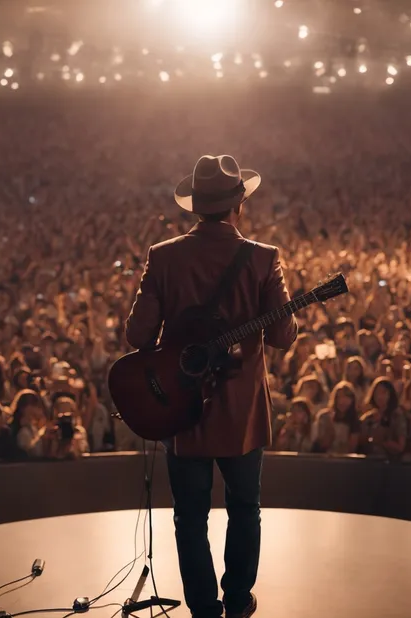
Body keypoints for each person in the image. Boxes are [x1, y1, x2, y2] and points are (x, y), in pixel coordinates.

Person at [125, 155, 298, 618]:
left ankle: (203, 608)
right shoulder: (264, 258)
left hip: (180, 410)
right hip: (241, 414)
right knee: (245, 508)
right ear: (239, 203)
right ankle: (238, 601)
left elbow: (137, 337)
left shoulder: (163, 256)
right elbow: (282, 338)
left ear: (195, 206)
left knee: (189, 515)